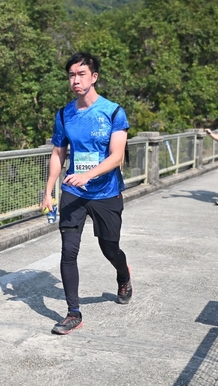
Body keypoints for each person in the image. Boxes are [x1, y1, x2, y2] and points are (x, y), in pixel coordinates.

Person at [42, 52, 131, 336]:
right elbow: (58, 154)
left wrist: (88, 175)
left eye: (81, 74)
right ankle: (73, 313)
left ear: (94, 77)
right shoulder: (64, 114)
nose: (75, 80)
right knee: (68, 251)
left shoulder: (114, 112)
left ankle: (124, 276)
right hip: (73, 192)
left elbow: (116, 157)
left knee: (110, 248)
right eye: (71, 75)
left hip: (106, 191)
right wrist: (48, 191)